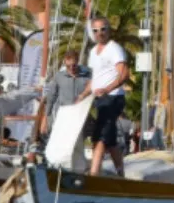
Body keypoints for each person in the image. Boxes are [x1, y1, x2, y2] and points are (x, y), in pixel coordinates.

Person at [76, 16, 129, 176]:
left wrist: (107, 89)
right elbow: (95, 79)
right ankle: (121, 173)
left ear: (109, 30)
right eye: (96, 30)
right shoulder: (93, 52)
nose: (100, 33)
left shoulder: (114, 49)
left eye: (103, 29)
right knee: (110, 139)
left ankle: (94, 173)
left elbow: (124, 75)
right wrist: (83, 95)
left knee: (99, 137)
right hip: (99, 99)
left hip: (113, 97)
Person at [41, 50, 90, 137]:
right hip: (64, 116)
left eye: (74, 65)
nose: (71, 68)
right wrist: (45, 119)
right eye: (68, 66)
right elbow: (51, 98)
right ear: (64, 63)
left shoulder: (87, 76)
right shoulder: (59, 76)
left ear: (78, 61)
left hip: (81, 116)